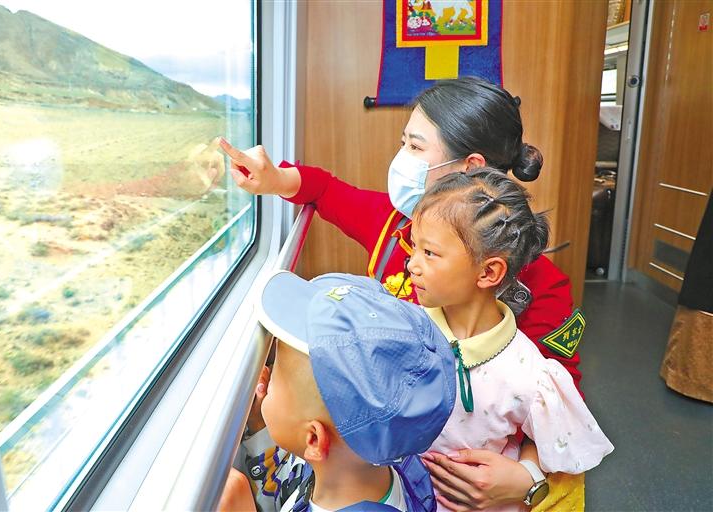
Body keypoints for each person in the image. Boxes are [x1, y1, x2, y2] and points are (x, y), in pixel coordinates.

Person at [219, 77, 585, 509]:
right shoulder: (393, 225)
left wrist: (526, 477)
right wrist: (275, 178)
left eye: (415, 147)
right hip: (389, 459)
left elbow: (558, 401)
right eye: (403, 143)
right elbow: (326, 190)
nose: (415, 263)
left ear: (470, 166)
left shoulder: (543, 287)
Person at [409, 169, 613, 511]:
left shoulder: (529, 373)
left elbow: (559, 446)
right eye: (414, 247)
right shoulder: (405, 332)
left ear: (489, 272)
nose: (412, 264)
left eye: (429, 253)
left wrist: (528, 474)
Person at [220, 271, 458, 511]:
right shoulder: (373, 455)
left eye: (273, 374)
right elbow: (292, 484)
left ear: (314, 438)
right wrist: (258, 425)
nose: (265, 376)